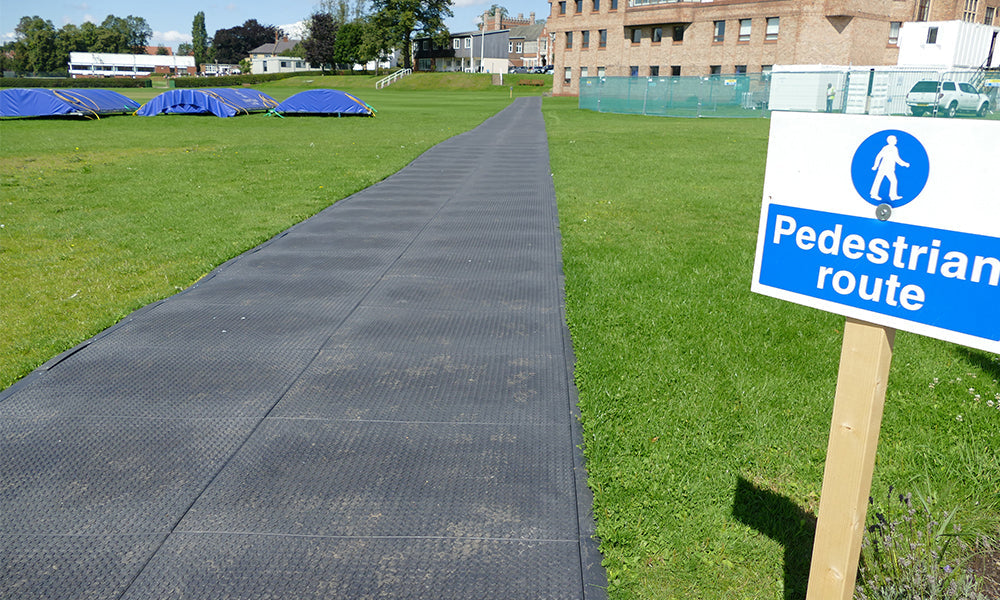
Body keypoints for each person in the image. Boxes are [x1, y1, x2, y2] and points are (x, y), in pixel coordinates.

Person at [870, 135, 909, 201]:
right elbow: (879, 156)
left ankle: (892, 195)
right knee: (880, 180)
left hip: (889, 168)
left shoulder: (894, 148)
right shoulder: (887, 148)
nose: (896, 140)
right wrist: (875, 166)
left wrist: (904, 164)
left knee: (892, 181)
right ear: (891, 141)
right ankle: (874, 194)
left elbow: (896, 159)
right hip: (884, 168)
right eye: (895, 139)